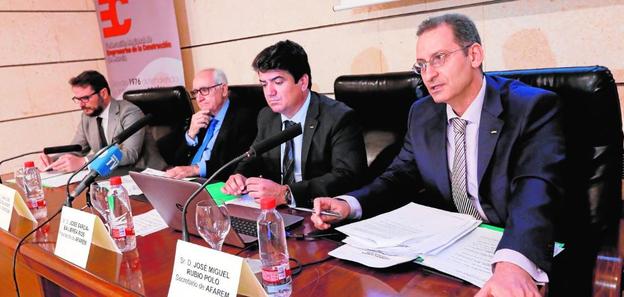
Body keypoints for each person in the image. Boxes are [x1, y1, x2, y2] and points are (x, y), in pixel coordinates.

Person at [312, 14, 565, 297]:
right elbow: (399, 176)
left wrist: (514, 264)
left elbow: (535, 191)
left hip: (513, 243)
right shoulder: (422, 113)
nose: (428, 74)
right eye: (421, 65)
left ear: (475, 55)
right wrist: (350, 204)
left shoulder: (530, 108)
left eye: (439, 58)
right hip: (450, 251)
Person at [222, 40, 367, 208]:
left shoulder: (338, 117)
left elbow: (347, 176)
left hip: (319, 211)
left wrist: (288, 193)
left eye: (278, 82)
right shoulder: (267, 116)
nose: (270, 92)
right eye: (264, 84)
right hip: (278, 212)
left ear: (303, 82)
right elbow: (254, 158)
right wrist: (240, 176)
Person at [38, 70, 166, 172]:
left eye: (85, 98)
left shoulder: (129, 112)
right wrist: (53, 161)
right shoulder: (87, 116)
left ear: (103, 93)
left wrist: (84, 162)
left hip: (145, 174)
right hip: (112, 175)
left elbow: (129, 154)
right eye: (77, 99)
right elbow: (77, 150)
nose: (81, 105)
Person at [166, 68, 259, 181]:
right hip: (189, 182)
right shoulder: (199, 118)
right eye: (195, 92)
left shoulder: (243, 118)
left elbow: (235, 162)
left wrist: (196, 170)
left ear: (223, 89)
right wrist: (190, 135)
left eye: (204, 90)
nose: (199, 98)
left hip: (216, 184)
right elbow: (177, 163)